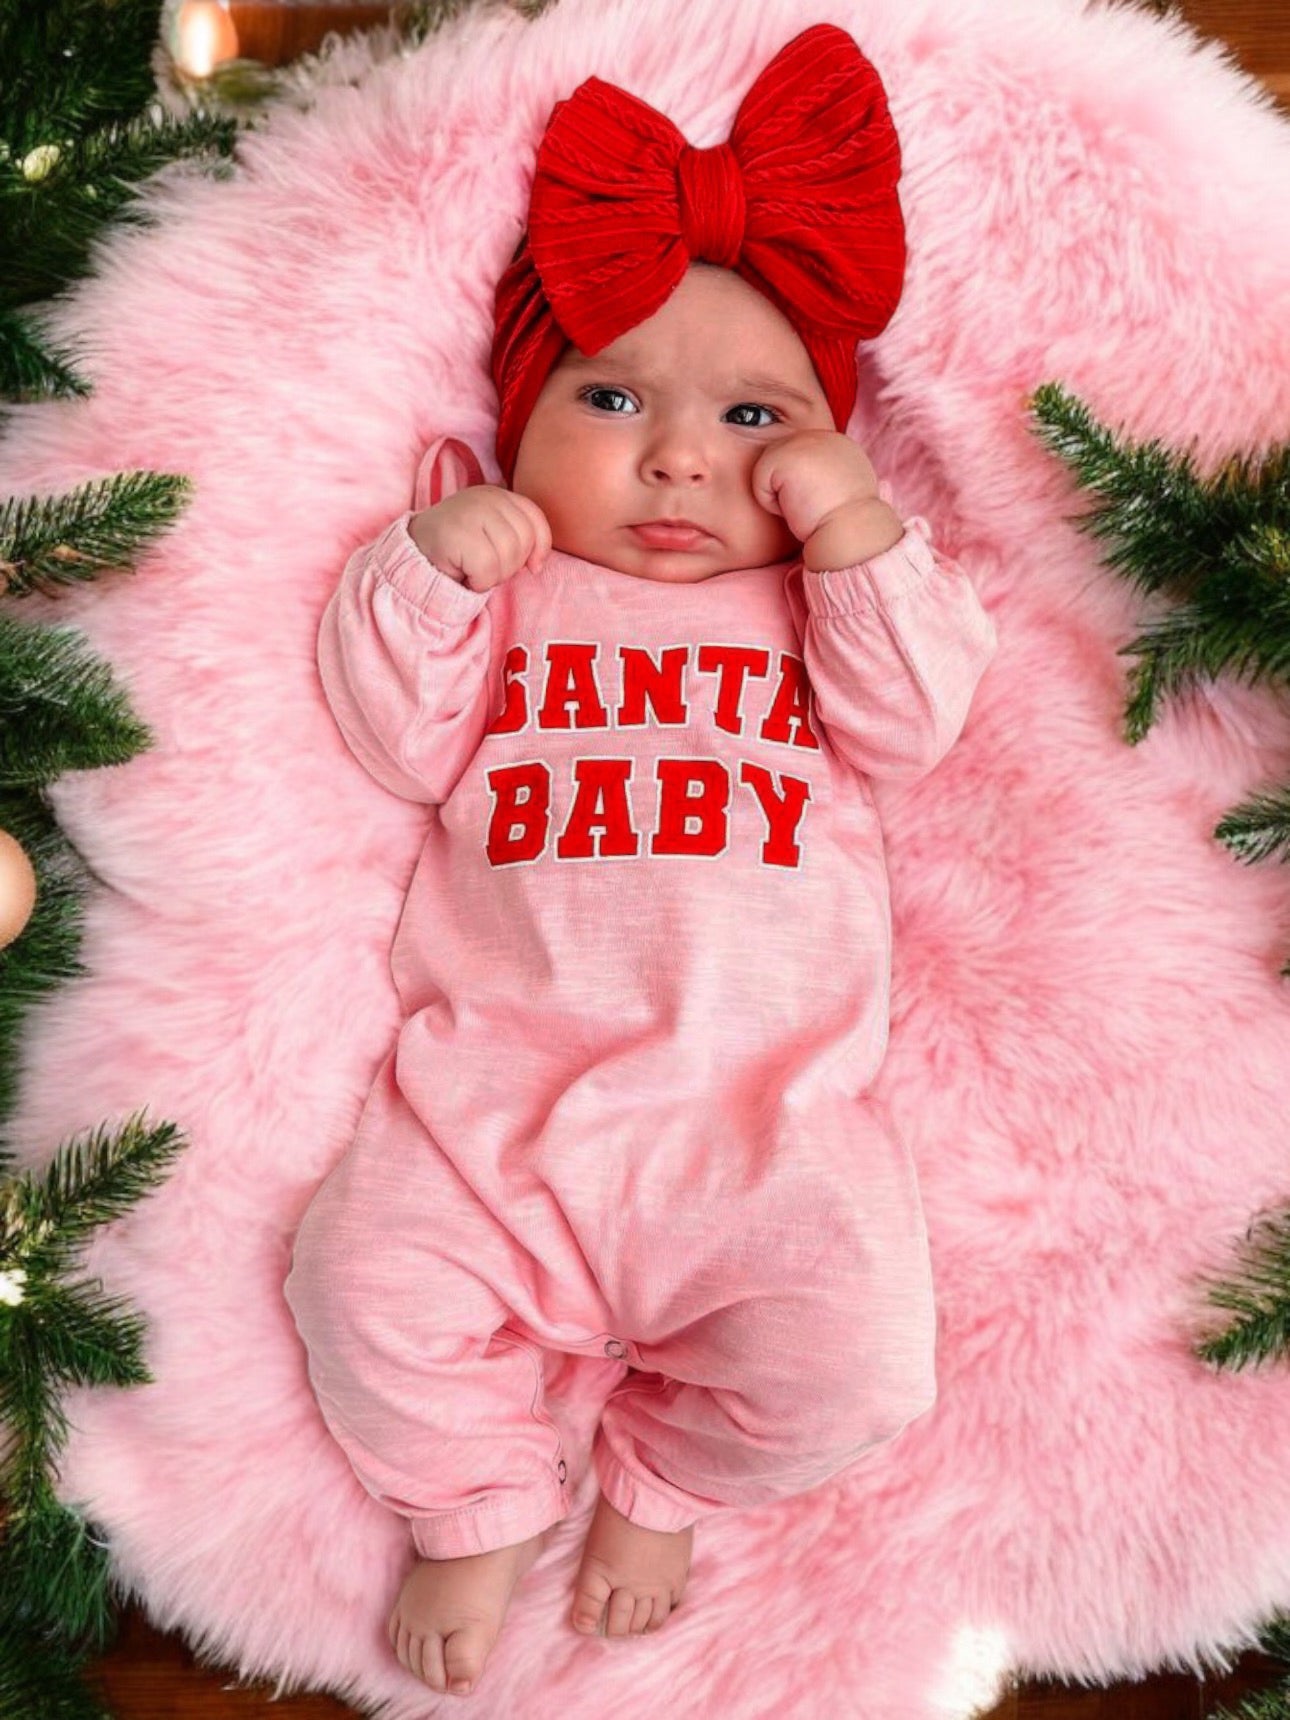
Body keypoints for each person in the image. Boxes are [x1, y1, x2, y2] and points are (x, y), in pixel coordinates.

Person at [284, 22, 997, 1699]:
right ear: (519, 419)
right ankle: (468, 1501)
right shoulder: (504, 561)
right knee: (357, 1287)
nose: (680, 457)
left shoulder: (822, 599)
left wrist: (851, 528)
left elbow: (916, 724)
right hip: (486, 1107)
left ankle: (662, 1476)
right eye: (609, 400)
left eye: (756, 416)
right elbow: (398, 741)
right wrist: (437, 575)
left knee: (860, 1363)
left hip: (763, 1121)